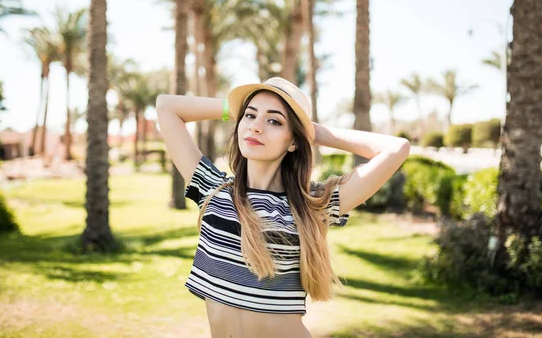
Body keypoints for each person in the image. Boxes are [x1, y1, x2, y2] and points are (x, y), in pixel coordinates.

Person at [155, 77, 410, 338]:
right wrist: (235, 108)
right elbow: (166, 106)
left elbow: (396, 148)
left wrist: (313, 132)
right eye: (250, 116)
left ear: (294, 141)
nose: (256, 127)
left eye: (274, 121)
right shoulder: (214, 189)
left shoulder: (311, 205)